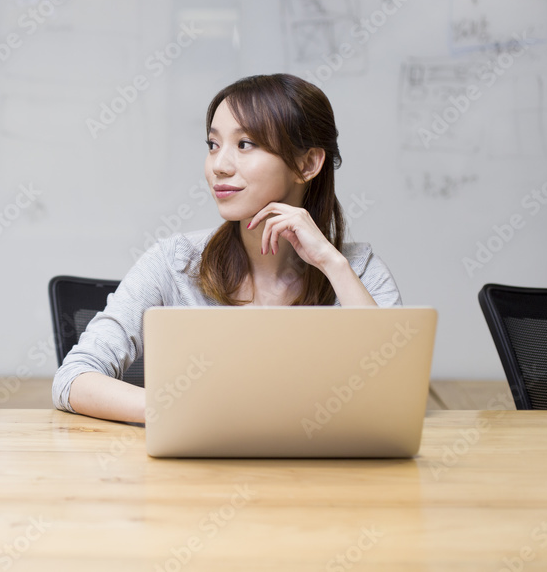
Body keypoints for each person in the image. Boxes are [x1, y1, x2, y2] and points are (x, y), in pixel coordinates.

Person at [52, 73, 402, 423]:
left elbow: (395, 393)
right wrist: (184, 411)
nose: (218, 166)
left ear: (307, 164)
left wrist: (331, 261)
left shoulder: (356, 270)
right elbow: (73, 379)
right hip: (193, 472)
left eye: (245, 144)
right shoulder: (176, 263)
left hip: (320, 474)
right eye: (213, 145)